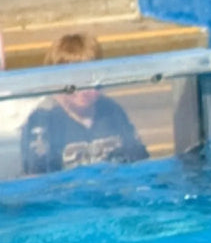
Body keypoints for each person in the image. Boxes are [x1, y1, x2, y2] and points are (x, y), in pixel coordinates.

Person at [21, 32, 148, 175]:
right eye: (76, 79)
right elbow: (38, 177)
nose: (85, 88)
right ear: (57, 80)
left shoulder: (112, 111)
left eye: (91, 78)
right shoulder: (43, 120)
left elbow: (140, 161)